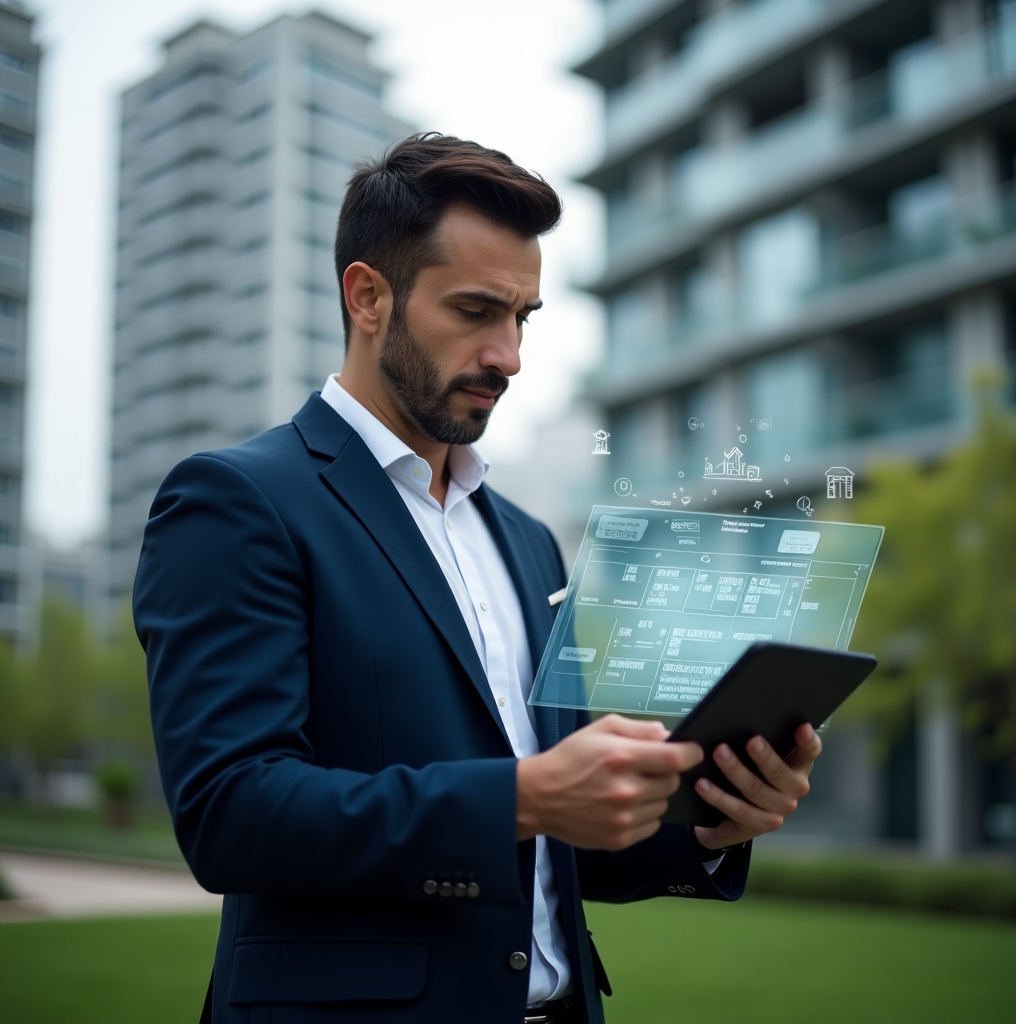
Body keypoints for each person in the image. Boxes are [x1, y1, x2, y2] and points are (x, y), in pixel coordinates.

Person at [135, 133, 822, 1024]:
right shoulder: (236, 501)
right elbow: (232, 813)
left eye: (524, 317)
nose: (510, 355)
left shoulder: (530, 540)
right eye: (475, 311)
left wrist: (711, 823)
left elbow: (562, 845)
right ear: (367, 296)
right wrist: (523, 794)